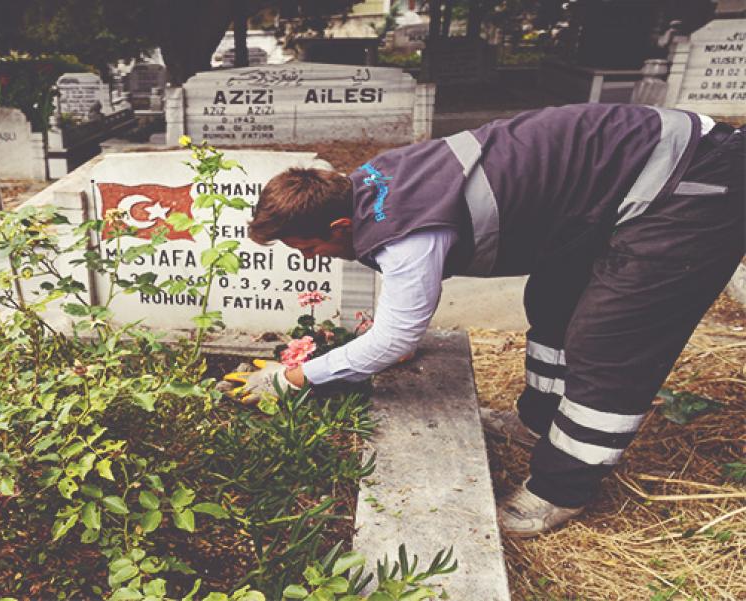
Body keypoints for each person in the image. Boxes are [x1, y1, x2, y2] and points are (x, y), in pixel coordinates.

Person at [230, 103, 744, 537]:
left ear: (340, 224)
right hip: (612, 181)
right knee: (554, 300)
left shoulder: (409, 236)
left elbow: (397, 332)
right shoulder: (366, 185)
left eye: (311, 247)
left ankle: (561, 489)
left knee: (610, 340)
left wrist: (294, 376)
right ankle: (537, 423)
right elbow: (400, 322)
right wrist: (393, 337)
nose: (314, 258)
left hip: (687, 180)